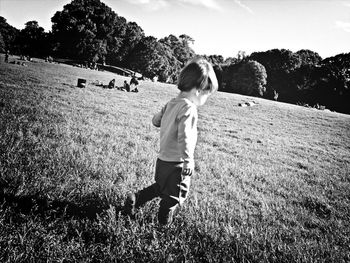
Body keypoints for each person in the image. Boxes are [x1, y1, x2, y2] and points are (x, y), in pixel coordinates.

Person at [124, 57, 218, 226]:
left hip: (162, 161)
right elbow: (185, 137)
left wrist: (163, 115)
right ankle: (162, 226)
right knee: (173, 197)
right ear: (199, 90)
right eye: (207, 95)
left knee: (159, 188)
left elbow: (155, 121)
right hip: (177, 164)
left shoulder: (171, 103)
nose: (205, 100)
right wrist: (188, 161)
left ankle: (136, 198)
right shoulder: (189, 108)